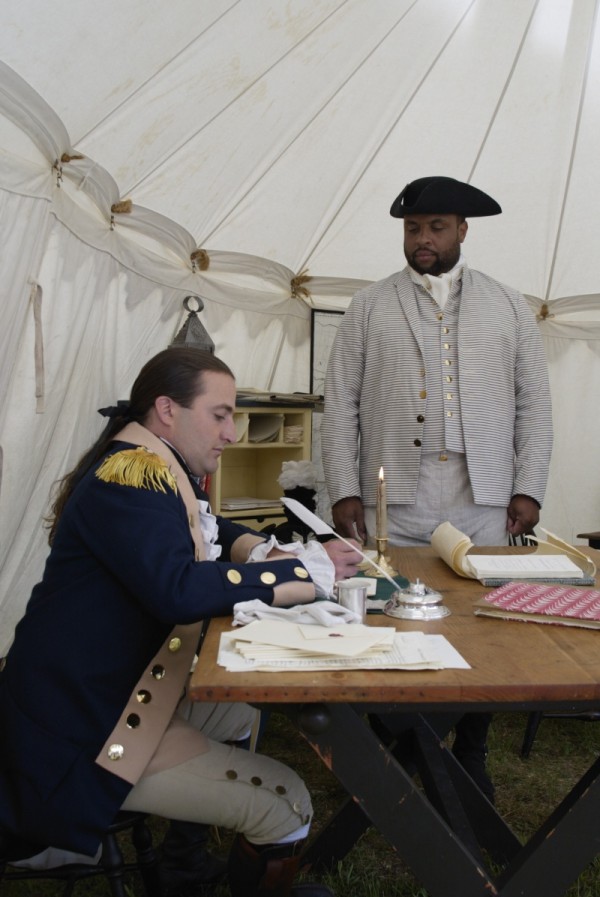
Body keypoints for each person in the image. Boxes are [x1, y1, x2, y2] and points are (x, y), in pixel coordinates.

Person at [0, 347, 361, 897]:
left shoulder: (152, 465)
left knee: (238, 701)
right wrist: (297, 577)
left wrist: (263, 553)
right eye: (219, 414)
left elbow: (207, 526)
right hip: (80, 730)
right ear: (167, 410)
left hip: (103, 692)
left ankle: (182, 861)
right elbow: (174, 589)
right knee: (286, 802)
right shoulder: (131, 477)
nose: (232, 432)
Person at [321, 175, 553, 800]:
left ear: (462, 231)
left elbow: (535, 404)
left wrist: (527, 487)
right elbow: (339, 402)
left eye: (436, 227)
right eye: (413, 228)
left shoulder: (508, 304)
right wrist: (344, 489)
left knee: (483, 619)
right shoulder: (369, 305)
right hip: (394, 495)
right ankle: (393, 744)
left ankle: (470, 747)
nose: (423, 239)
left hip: (483, 492)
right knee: (387, 612)